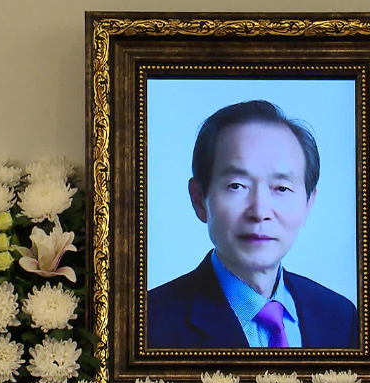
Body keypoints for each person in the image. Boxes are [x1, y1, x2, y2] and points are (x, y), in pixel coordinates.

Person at [147, 100, 358, 349]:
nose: (259, 212)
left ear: (308, 203)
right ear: (199, 199)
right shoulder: (148, 323)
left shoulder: (340, 317)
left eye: (282, 188)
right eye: (236, 186)